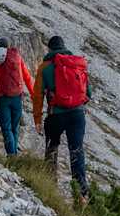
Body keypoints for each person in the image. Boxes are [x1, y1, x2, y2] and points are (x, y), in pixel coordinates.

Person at [32, 35, 91, 199]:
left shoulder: (44, 67)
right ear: (64, 47)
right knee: (77, 151)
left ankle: (50, 187)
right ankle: (81, 194)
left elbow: (37, 95)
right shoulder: (77, 64)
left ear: (49, 50)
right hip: (77, 114)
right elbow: (88, 93)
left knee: (52, 149)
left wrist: (37, 119)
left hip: (55, 115)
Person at [0, 37, 34, 156]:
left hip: (3, 98)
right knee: (14, 127)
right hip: (17, 97)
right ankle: (14, 154)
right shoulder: (17, 57)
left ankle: (11, 155)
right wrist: (33, 94)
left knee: (6, 128)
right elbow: (27, 77)